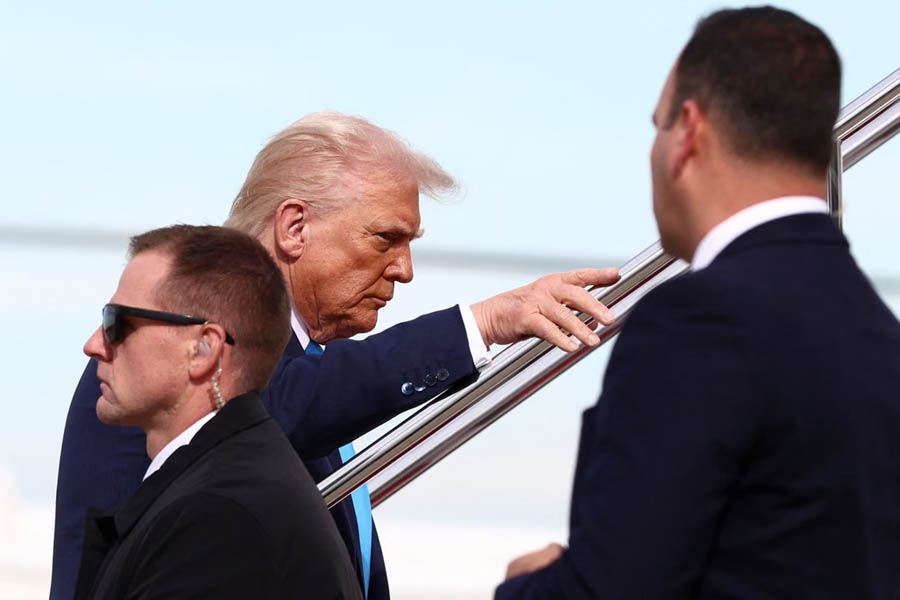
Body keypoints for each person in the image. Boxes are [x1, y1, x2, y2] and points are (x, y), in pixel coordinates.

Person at [53, 112, 621, 599]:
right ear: (294, 227)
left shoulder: (306, 381)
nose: (405, 270)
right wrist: (482, 324)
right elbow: (275, 407)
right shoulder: (171, 351)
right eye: (386, 238)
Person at [496, 7, 900, 599]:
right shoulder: (880, 334)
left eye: (657, 126)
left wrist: (523, 586)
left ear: (689, 131)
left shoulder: (699, 320)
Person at [74, 225, 362, 599]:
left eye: (117, 323)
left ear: (203, 350)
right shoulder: (227, 490)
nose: (93, 345)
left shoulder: (219, 518)